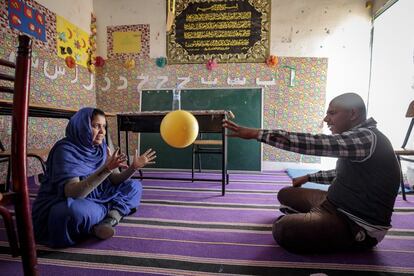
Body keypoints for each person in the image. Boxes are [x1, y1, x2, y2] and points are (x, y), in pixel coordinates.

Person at [223, 93, 400, 253]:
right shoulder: (359, 138)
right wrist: (308, 177)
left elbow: (318, 144)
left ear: (353, 114)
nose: (326, 119)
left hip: (355, 224)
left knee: (283, 228)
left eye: (332, 113)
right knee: (285, 194)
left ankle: (312, 222)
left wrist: (256, 133)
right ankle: (311, 218)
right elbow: (340, 174)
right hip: (333, 203)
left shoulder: (367, 138)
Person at [32, 107, 156, 248]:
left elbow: (114, 179)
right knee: (69, 212)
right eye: (96, 126)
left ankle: (108, 219)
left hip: (101, 196)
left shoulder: (100, 147)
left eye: (103, 126)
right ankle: (111, 212)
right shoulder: (65, 150)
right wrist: (106, 169)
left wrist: (133, 167)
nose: (102, 132)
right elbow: (73, 193)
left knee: (134, 186)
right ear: (82, 126)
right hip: (81, 201)